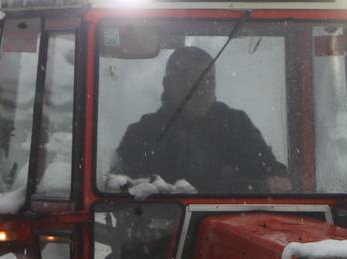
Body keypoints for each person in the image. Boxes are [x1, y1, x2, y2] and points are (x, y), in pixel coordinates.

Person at [112, 45, 291, 193]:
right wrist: (253, 187)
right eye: (190, 80)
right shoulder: (143, 134)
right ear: (167, 84)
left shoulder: (237, 125)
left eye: (208, 80)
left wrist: (277, 179)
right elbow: (121, 190)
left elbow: (272, 174)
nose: (201, 89)